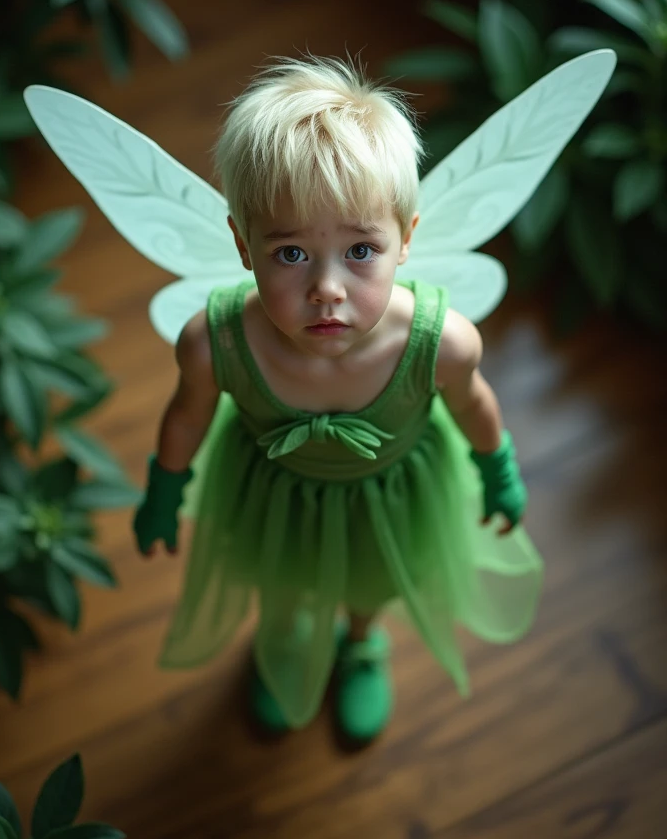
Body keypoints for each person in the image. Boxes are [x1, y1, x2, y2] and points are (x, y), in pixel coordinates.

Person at [133, 56, 542, 742]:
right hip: (275, 497)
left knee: (374, 578)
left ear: (405, 239)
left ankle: (359, 642)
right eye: (291, 254)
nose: (327, 288)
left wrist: (495, 469)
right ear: (243, 245)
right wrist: (164, 488)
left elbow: (474, 404)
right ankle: (288, 640)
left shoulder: (441, 345)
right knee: (282, 576)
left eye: (360, 250)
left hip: (392, 497)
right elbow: (187, 413)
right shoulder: (217, 343)